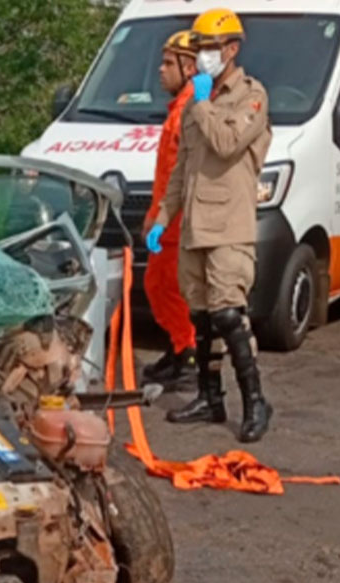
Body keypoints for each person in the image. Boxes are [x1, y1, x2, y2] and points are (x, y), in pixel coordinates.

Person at [146, 8, 273, 443]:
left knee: (227, 314)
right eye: (198, 49)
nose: (203, 57)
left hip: (228, 226)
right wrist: (163, 217)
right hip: (196, 226)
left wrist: (200, 103)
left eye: (210, 49)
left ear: (232, 50)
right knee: (200, 317)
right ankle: (209, 397)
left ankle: (255, 400)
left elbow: (226, 143)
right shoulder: (196, 102)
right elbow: (182, 167)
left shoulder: (250, 96)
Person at [141, 30, 199, 386]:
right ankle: (180, 349)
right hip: (168, 218)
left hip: (175, 221)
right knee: (158, 286)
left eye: (168, 63)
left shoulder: (187, 111)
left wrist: (159, 216)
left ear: (189, 66)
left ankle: (188, 354)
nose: (160, 70)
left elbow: (179, 176)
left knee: (166, 288)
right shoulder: (180, 108)